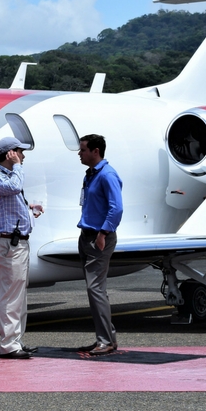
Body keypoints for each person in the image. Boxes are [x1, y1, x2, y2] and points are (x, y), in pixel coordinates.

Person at [0, 136, 44, 359]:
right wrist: (17, 166)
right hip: (8, 244)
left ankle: (16, 341)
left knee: (18, 294)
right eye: (19, 152)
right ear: (10, 154)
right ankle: (9, 344)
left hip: (17, 242)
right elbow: (13, 187)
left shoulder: (8, 175)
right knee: (11, 295)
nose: (22, 156)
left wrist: (29, 207)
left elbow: (12, 197)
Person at [76, 133, 123, 356]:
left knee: (95, 288)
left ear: (96, 151)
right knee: (96, 290)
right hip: (86, 235)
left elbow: (117, 208)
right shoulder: (91, 174)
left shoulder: (107, 175)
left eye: (83, 150)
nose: (79, 153)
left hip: (98, 237)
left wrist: (103, 233)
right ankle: (105, 338)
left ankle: (105, 340)